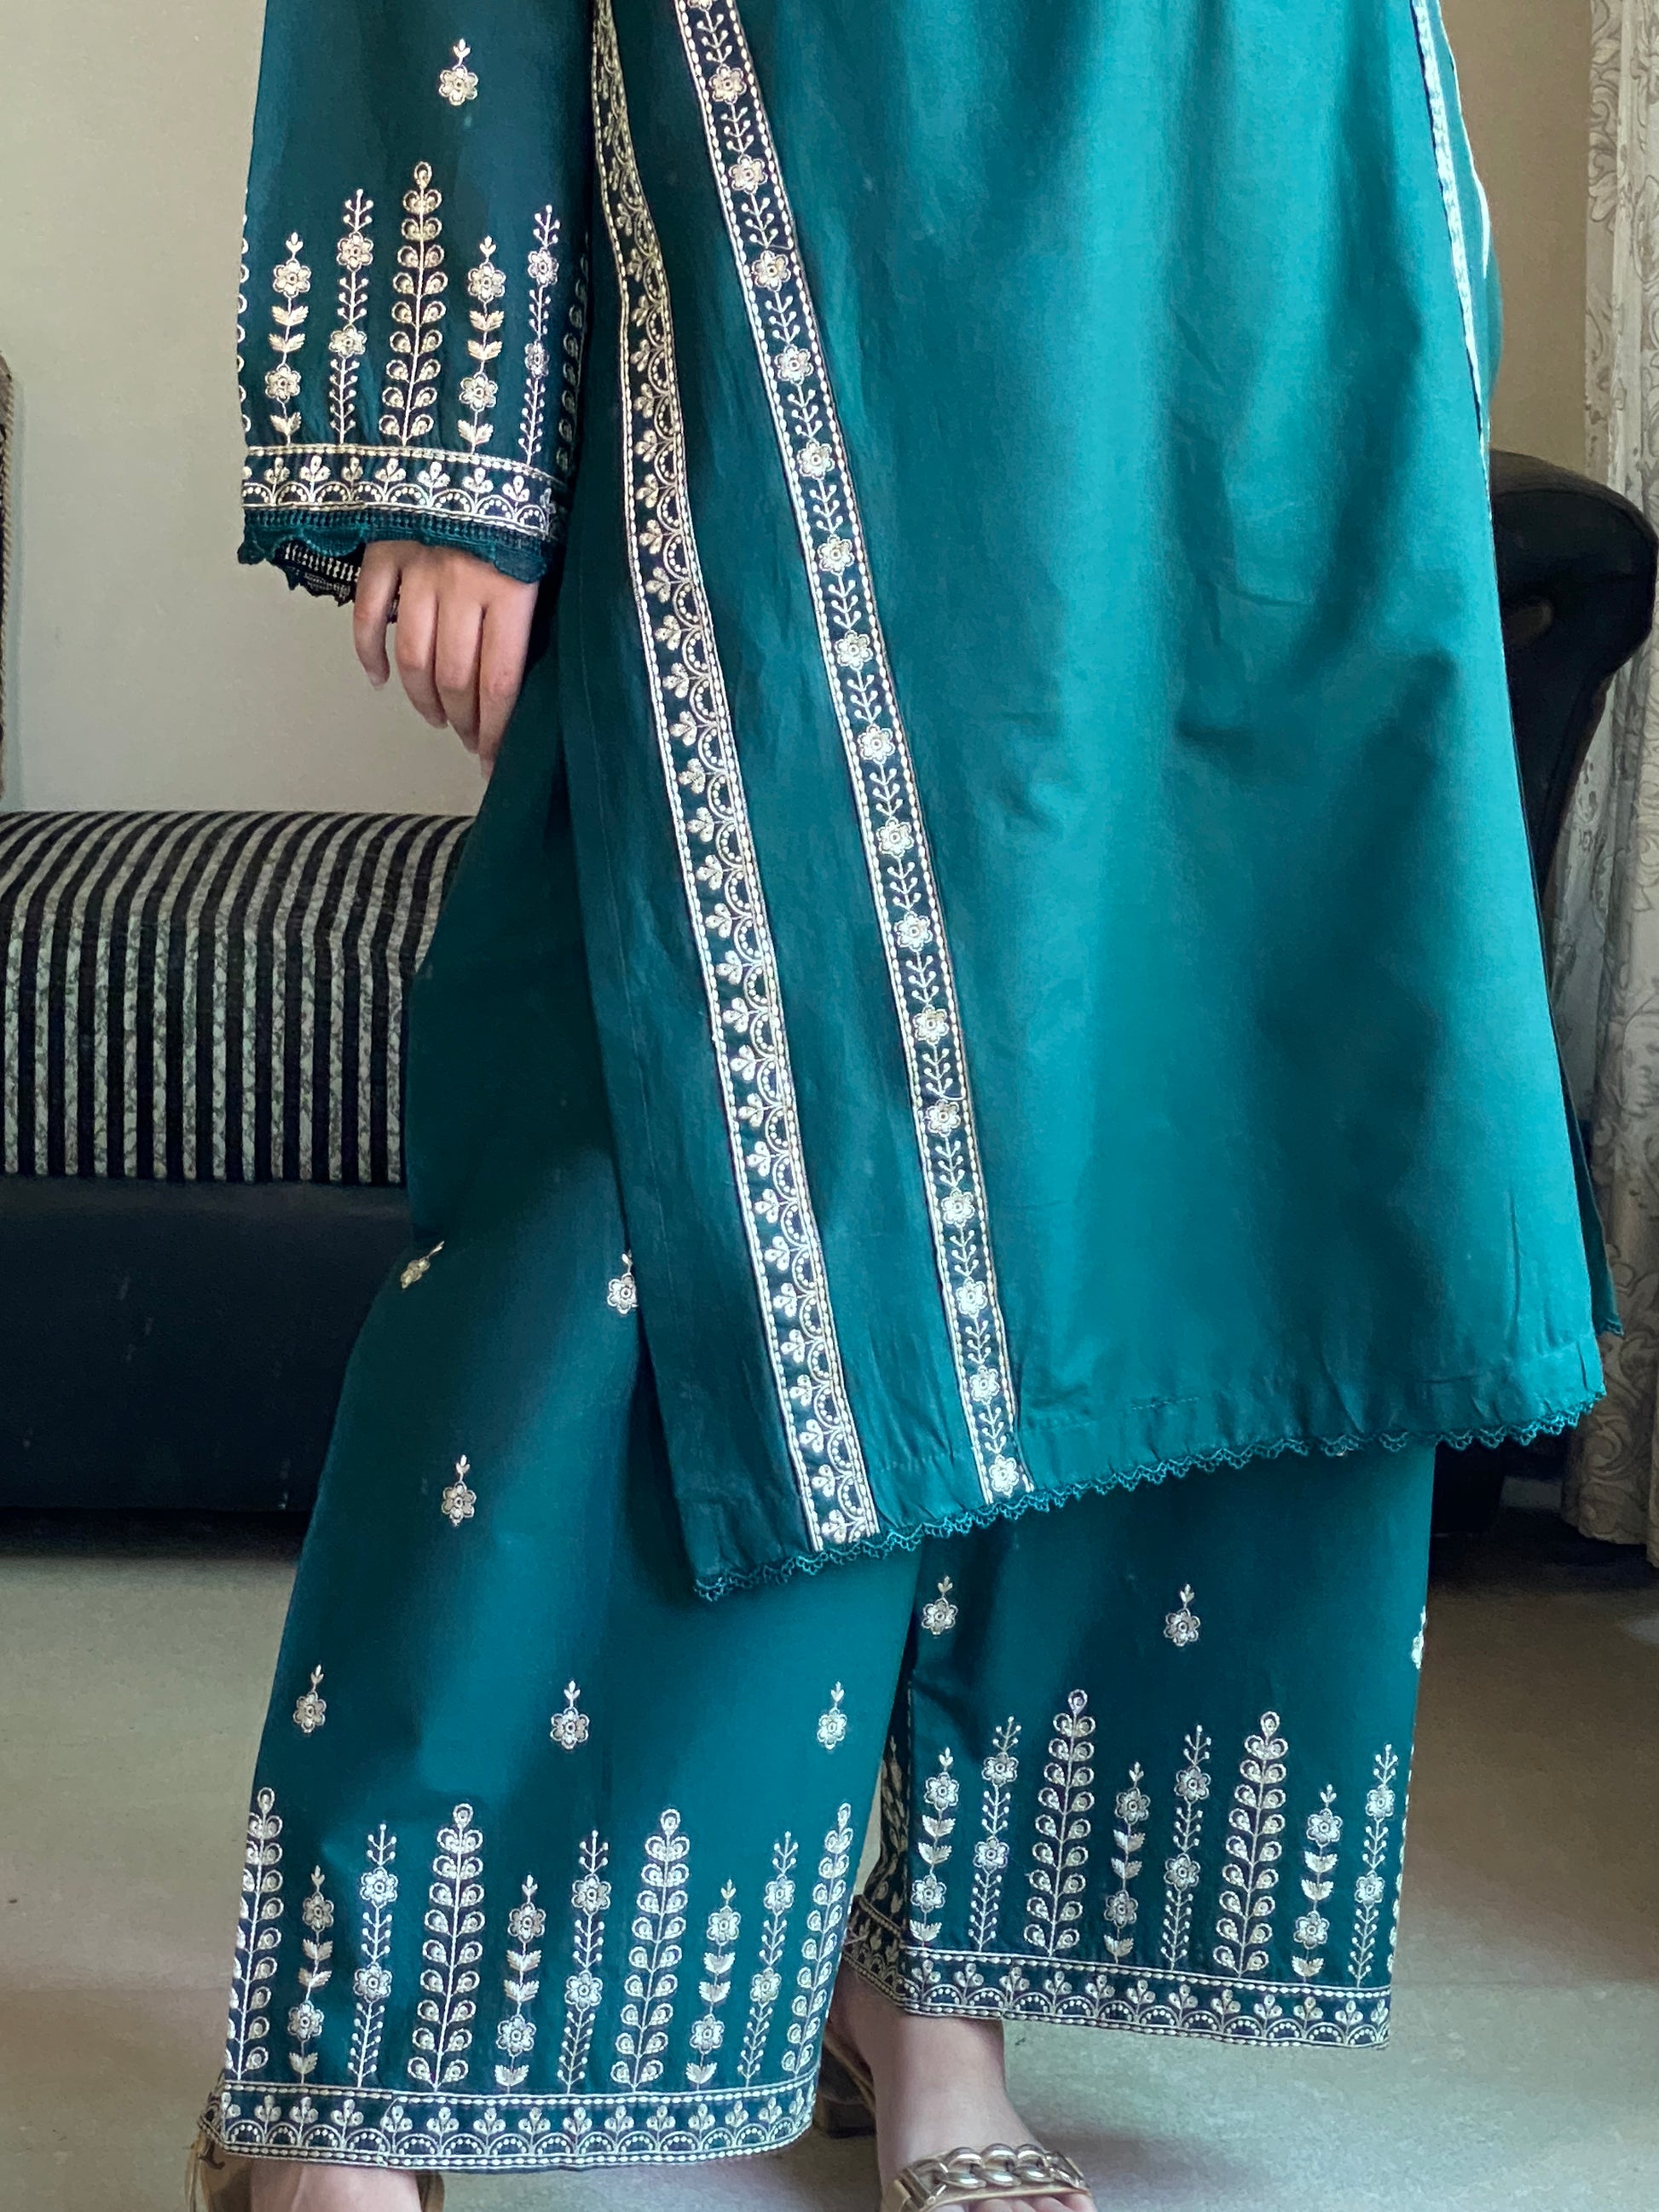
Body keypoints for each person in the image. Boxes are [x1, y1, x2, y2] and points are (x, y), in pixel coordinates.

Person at [191, 3, 1614, 2207]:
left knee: (1123, 1135)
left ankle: (934, 1990)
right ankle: (352, 2072)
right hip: (815, 183)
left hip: (1235, 178)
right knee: (638, 1160)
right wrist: (443, 424)